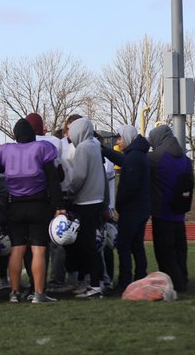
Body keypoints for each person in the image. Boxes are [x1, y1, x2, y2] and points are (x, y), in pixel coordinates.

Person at [0, 117, 63, 303]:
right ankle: (39, 293)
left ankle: (14, 292)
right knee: (39, 249)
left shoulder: (6, 150)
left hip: (15, 205)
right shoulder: (43, 148)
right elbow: (53, 179)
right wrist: (60, 206)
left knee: (17, 248)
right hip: (38, 204)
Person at [65, 117, 106, 298]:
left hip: (85, 202)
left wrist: (70, 192)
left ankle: (94, 285)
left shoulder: (82, 148)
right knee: (90, 245)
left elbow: (79, 176)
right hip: (96, 199)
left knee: (87, 246)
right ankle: (93, 281)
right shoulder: (95, 146)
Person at [148, 124, 191, 292]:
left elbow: (132, 161)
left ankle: (174, 284)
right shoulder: (185, 159)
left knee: (165, 252)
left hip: (162, 212)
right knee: (180, 250)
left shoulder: (156, 158)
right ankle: (183, 280)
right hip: (179, 212)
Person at [109, 124, 151, 293]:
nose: (117, 142)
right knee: (137, 245)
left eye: (119, 138)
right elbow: (122, 161)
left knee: (124, 245)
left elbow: (130, 186)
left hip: (132, 209)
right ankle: (140, 277)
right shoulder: (138, 154)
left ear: (127, 138)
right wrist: (105, 151)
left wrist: (119, 203)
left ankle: (125, 282)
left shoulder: (133, 157)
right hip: (141, 208)